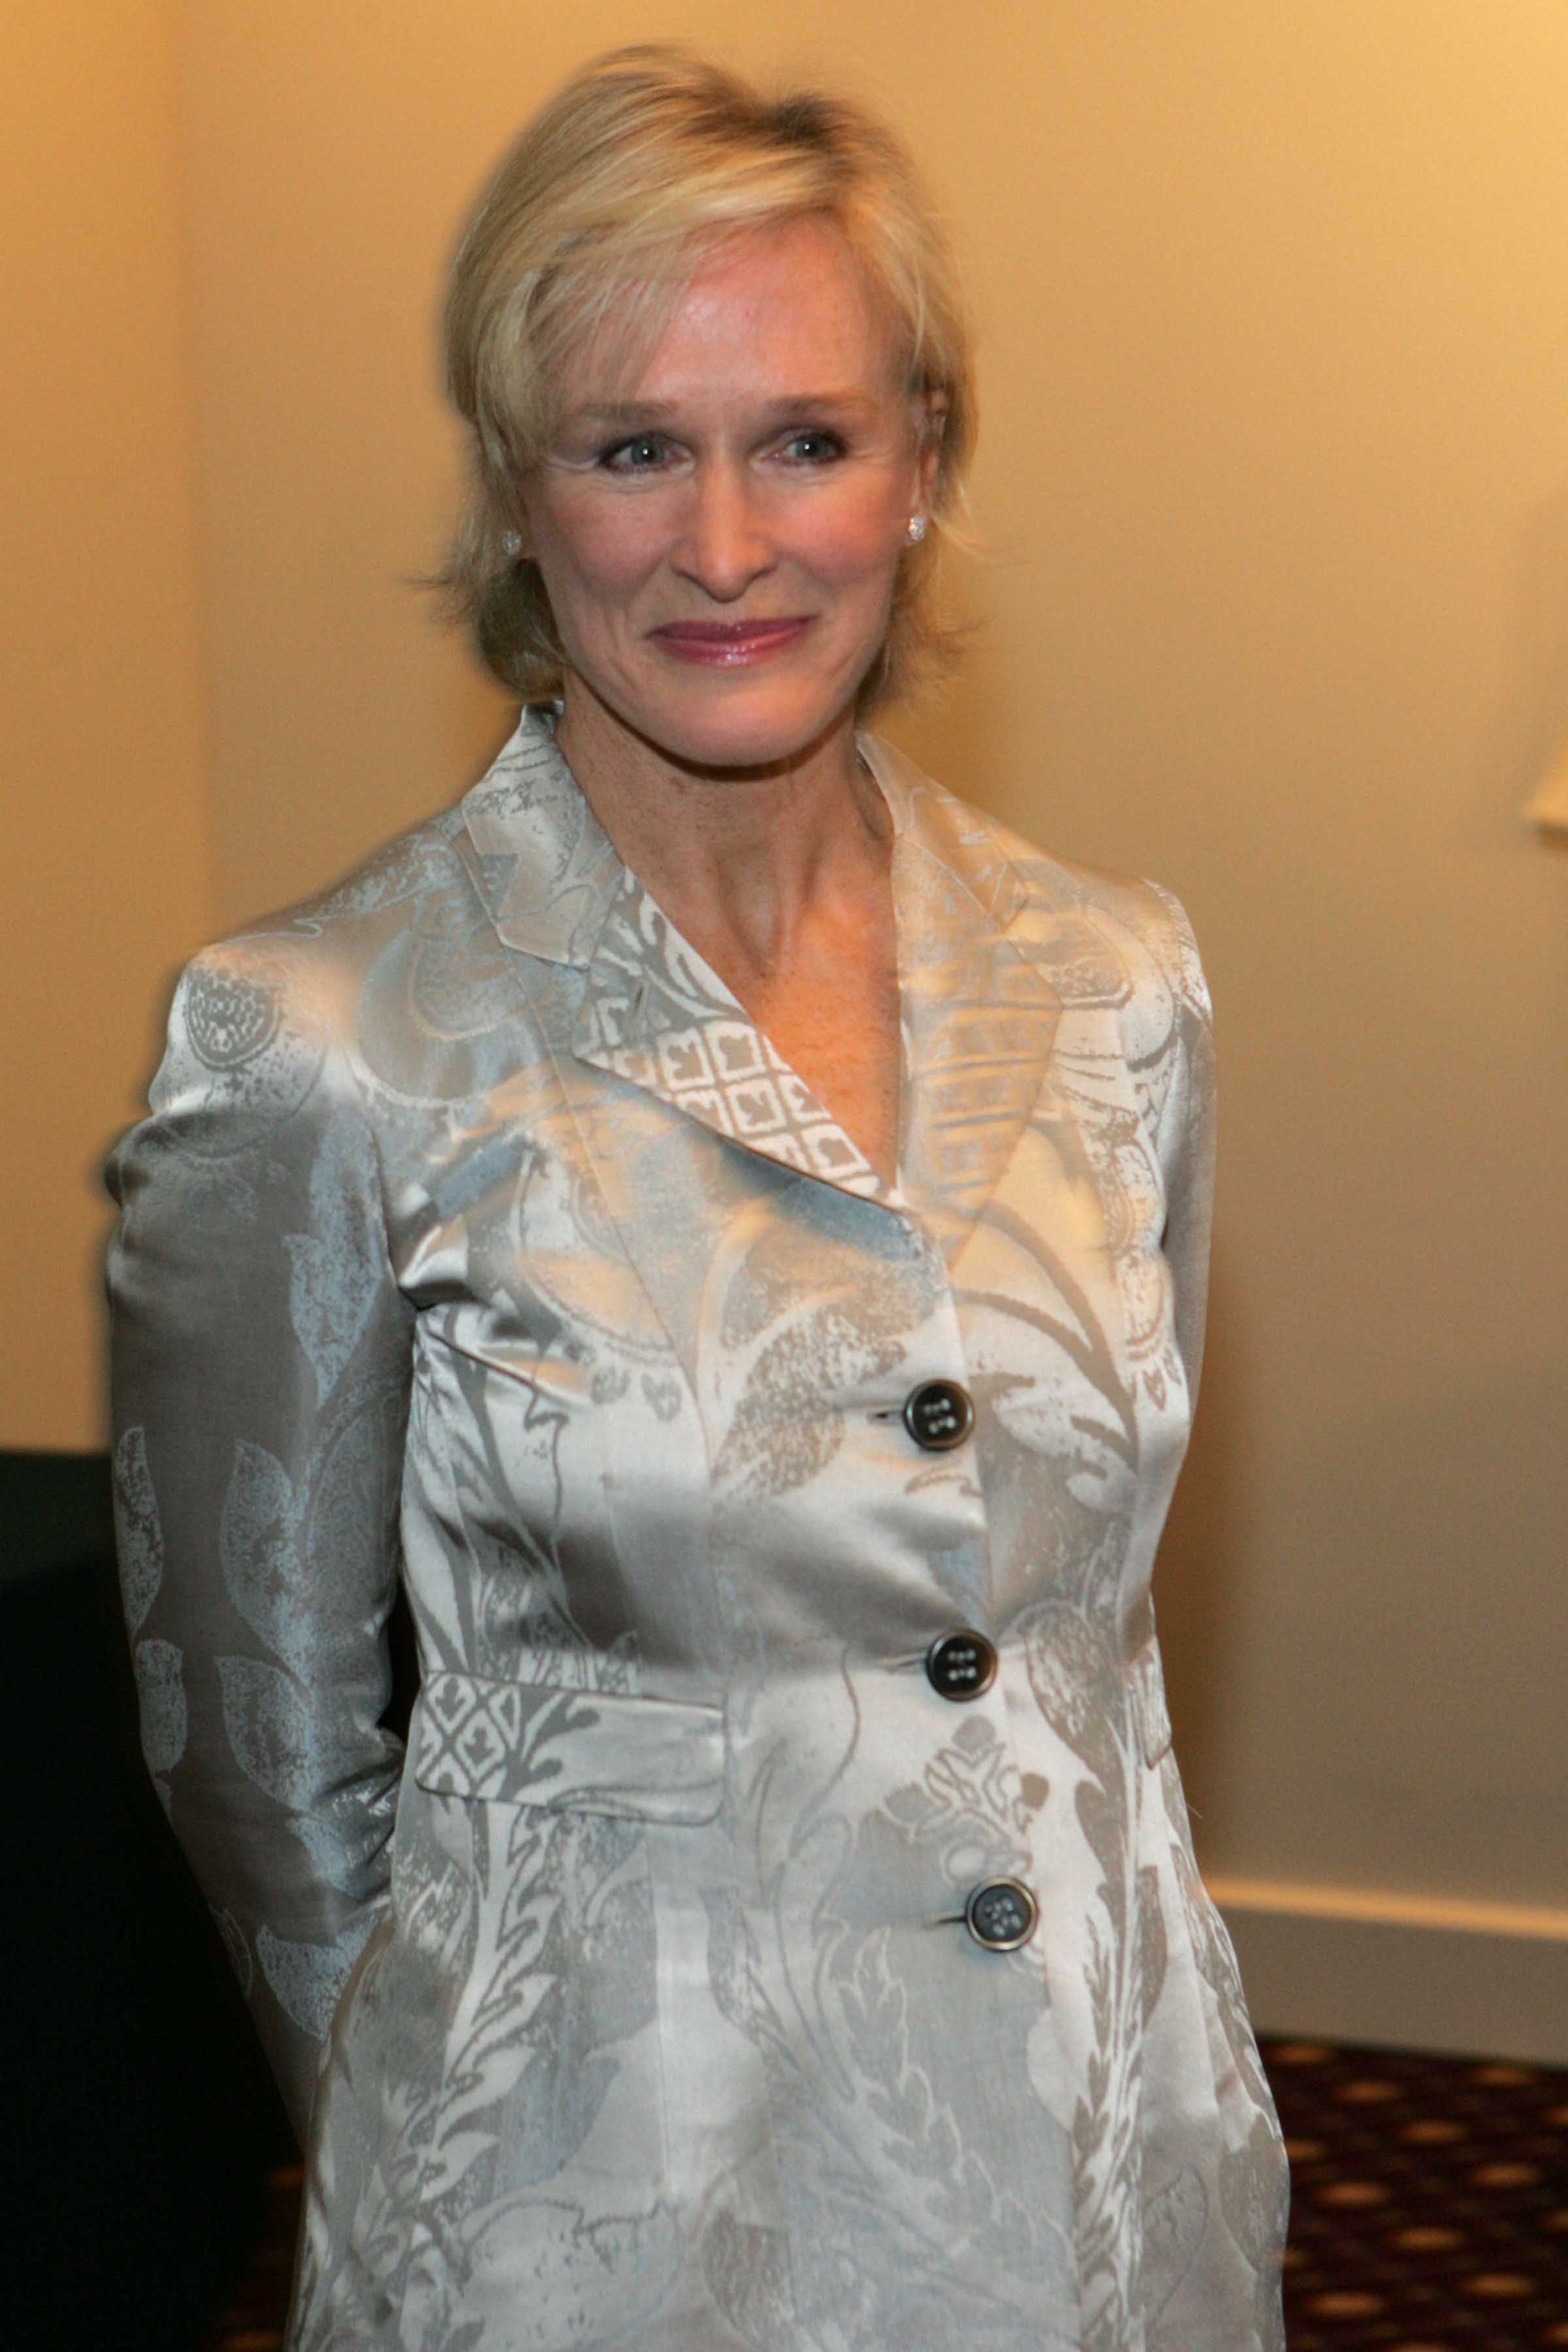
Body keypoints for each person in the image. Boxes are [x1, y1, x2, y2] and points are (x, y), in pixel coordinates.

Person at [106, 44, 1288, 2351]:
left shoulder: (1119, 979)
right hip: (605, 2233)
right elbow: (252, 1769)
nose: (729, 548)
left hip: (1102, 2189)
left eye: (809, 443)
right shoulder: (324, 1038)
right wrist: (466, 2155)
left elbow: (1093, 1649)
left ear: (925, 465)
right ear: (519, 492)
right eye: (635, 446)